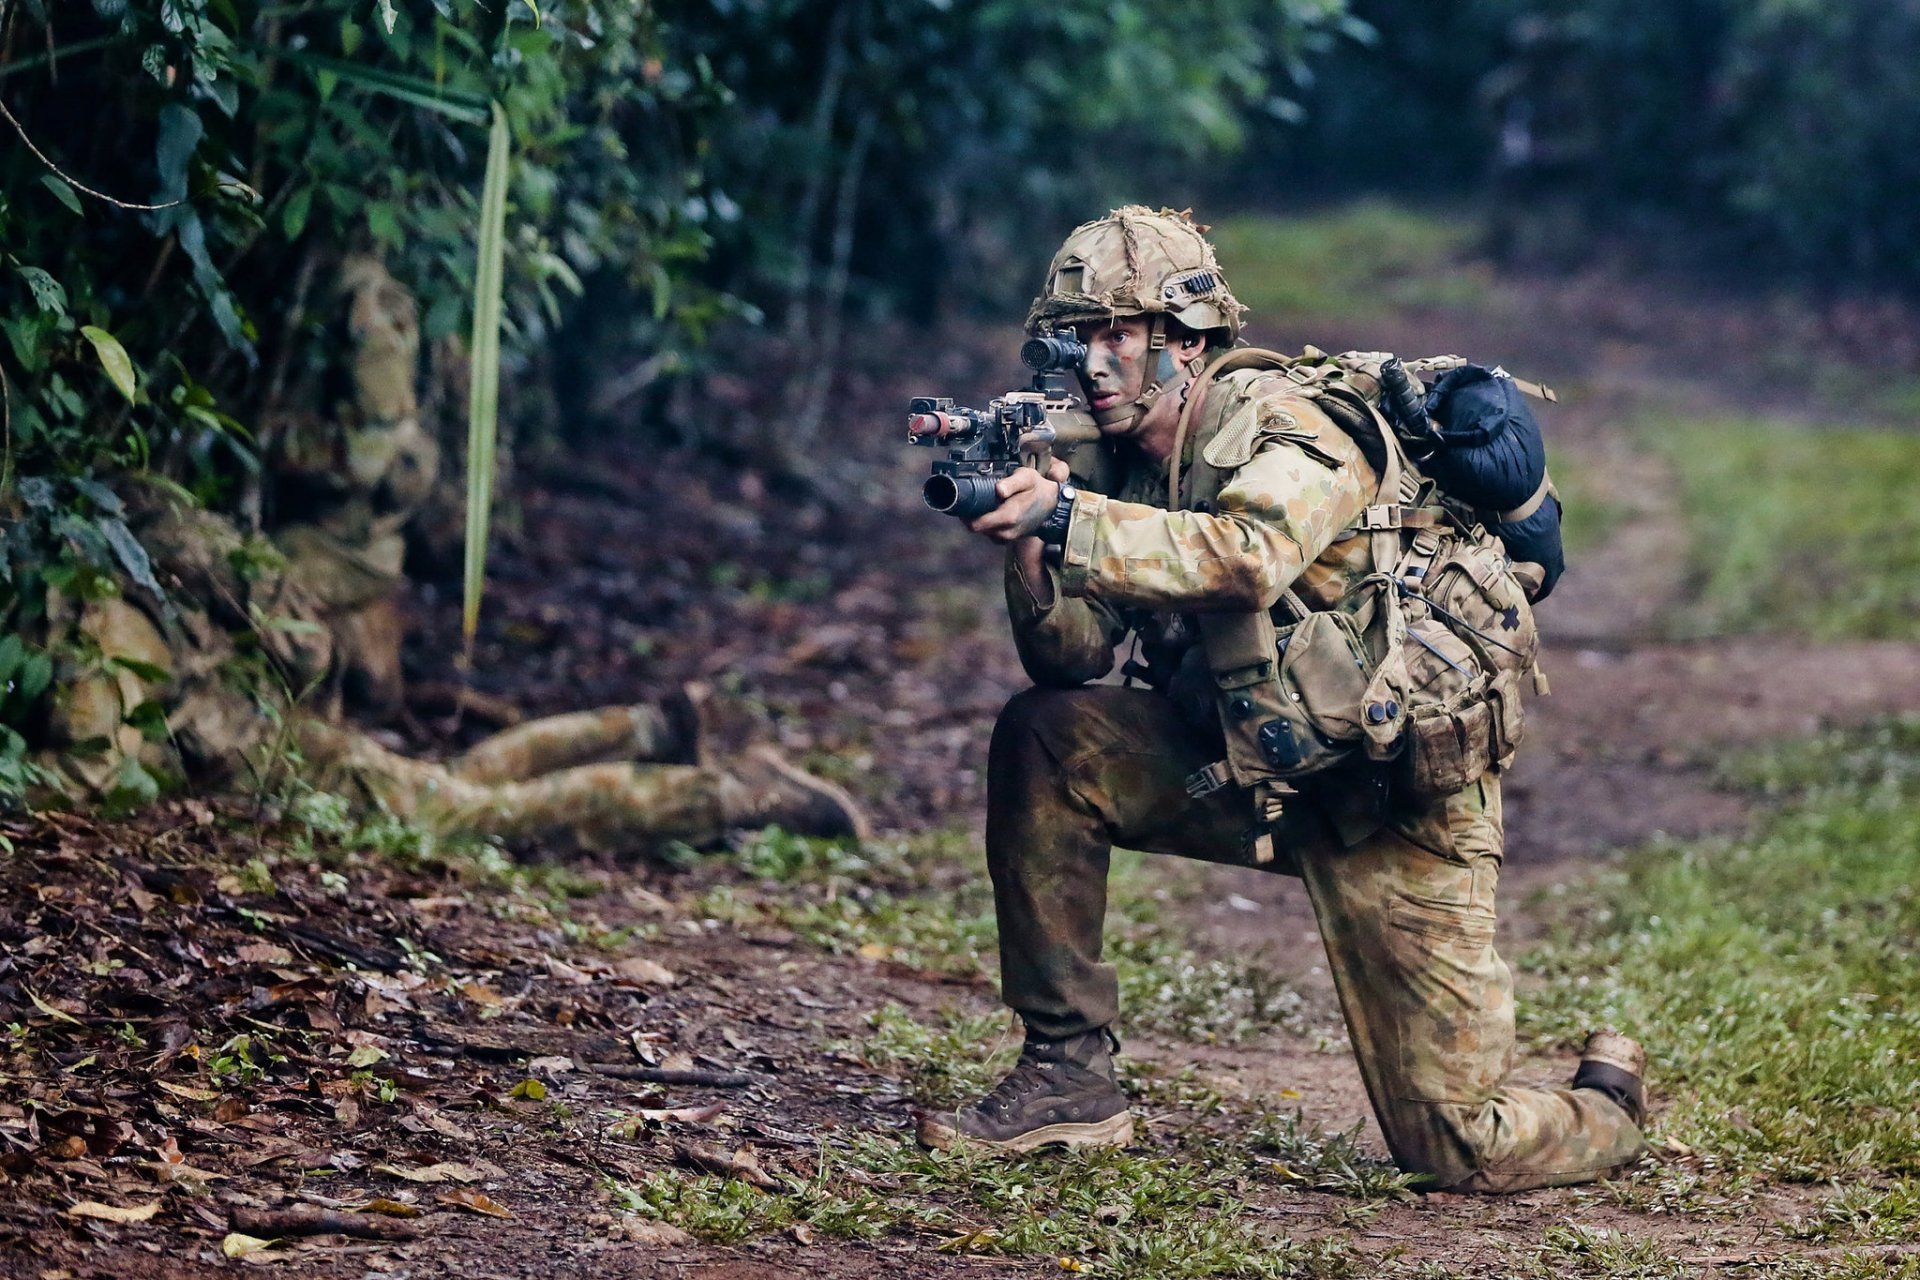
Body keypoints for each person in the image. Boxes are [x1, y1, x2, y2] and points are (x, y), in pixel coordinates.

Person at [917, 206, 1646, 1193]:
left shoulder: (1283, 419)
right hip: (1249, 769)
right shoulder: (1117, 455)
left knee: (1458, 1145)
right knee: (1048, 739)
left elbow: (1247, 558)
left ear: (1190, 339)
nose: (1095, 362)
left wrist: (1073, 515)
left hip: (1394, 801)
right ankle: (1067, 1071)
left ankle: (1606, 1106)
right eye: (1078, 337)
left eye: (1120, 334)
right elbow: (1070, 659)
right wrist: (1034, 535)